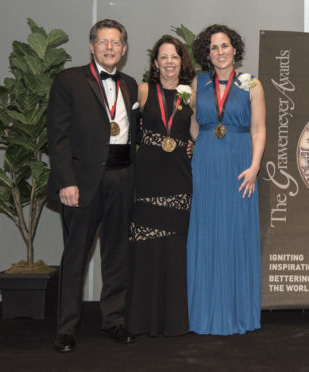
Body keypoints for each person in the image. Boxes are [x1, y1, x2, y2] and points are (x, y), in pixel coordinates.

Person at [46, 19, 138, 352]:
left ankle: (113, 319)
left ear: (124, 49)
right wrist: (65, 182)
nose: (110, 47)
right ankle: (66, 328)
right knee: (75, 257)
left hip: (122, 179)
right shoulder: (69, 80)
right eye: (103, 42)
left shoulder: (129, 83)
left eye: (116, 43)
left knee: (117, 255)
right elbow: (57, 138)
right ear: (91, 46)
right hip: (82, 184)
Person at [186, 24, 266, 335]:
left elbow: (258, 129)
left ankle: (237, 315)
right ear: (207, 53)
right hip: (205, 164)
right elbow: (195, 125)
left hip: (239, 164)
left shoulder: (251, 85)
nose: (220, 52)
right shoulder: (198, 82)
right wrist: (202, 144)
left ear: (235, 49)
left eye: (225, 46)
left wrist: (255, 166)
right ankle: (203, 315)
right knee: (205, 233)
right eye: (214, 47)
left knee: (235, 233)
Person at [126, 36, 195, 337]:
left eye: (175, 56)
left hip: (180, 175)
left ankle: (175, 322)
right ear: (155, 63)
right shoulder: (142, 91)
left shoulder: (191, 95)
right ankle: (142, 321)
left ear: (182, 61)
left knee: (175, 249)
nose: (169, 62)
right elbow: (127, 132)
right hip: (148, 175)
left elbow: (197, 132)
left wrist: (195, 146)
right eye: (163, 57)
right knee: (145, 247)